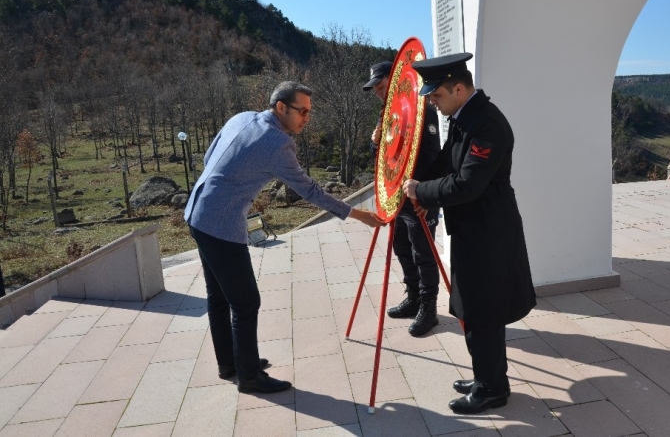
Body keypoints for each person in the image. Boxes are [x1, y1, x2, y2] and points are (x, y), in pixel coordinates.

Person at [185, 81, 384, 394]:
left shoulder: (243, 117)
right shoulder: (277, 143)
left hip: (197, 212)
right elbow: (309, 190)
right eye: (302, 111)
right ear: (281, 108)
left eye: (309, 112)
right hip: (220, 225)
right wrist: (359, 215)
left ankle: (231, 364)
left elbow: (211, 154)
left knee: (219, 296)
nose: (307, 118)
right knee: (246, 302)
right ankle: (249, 377)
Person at [402, 53, 536, 414]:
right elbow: (446, 163)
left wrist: (422, 192)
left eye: (436, 96)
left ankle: (491, 388)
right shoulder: (464, 117)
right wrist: (413, 179)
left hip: (489, 232)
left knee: (484, 312)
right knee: (475, 309)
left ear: (458, 88)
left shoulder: (487, 125)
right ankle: (488, 376)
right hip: (472, 229)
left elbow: (467, 184)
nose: (432, 102)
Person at [363, 61, 442, 337]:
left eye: (381, 87)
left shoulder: (424, 110)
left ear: (394, 82)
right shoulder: (387, 115)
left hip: (419, 194)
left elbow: (434, 156)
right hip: (397, 195)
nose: (378, 93)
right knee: (401, 247)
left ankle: (429, 308)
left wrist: (424, 192)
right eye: (374, 89)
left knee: (424, 252)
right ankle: (415, 297)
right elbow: (385, 159)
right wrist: (375, 143)